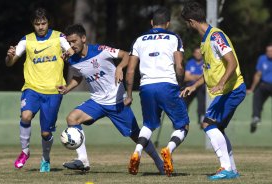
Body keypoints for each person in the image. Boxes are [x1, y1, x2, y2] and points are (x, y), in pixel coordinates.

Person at [58, 24, 164, 174]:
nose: (71, 45)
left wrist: (120, 67)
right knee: (72, 119)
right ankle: (83, 161)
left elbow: (127, 55)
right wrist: (67, 88)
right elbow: (78, 77)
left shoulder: (100, 50)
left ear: (83, 38)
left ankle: (159, 163)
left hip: (117, 101)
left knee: (136, 135)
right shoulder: (73, 60)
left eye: (74, 41)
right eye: (69, 42)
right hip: (97, 101)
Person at [180, 2, 246, 180]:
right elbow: (209, 70)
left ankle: (225, 168)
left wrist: (222, 83)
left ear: (192, 21)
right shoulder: (205, 41)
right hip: (226, 91)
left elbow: (231, 62)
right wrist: (194, 85)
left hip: (232, 90)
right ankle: (231, 169)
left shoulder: (216, 36)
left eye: (187, 23)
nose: (187, 26)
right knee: (219, 129)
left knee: (208, 124)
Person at [5, 8, 74, 172]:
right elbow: (10, 62)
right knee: (26, 115)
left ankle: (45, 158)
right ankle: (24, 151)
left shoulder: (59, 37)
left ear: (48, 23)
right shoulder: (27, 40)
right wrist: (9, 56)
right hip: (32, 88)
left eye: (43, 23)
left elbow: (71, 49)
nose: (41, 27)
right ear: (33, 25)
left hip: (53, 91)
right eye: (37, 24)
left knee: (45, 133)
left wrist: (69, 53)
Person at [125, 7, 190, 177]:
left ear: (152, 23)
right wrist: (180, 84)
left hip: (146, 87)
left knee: (148, 125)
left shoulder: (139, 40)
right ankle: (168, 149)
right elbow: (180, 66)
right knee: (183, 125)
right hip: (167, 85)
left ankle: (137, 151)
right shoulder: (174, 38)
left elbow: (130, 71)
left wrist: (129, 94)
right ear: (167, 24)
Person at [247, 43, 272, 133]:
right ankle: (256, 117)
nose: (269, 53)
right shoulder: (262, 58)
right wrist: (252, 89)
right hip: (265, 85)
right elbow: (258, 75)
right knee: (257, 94)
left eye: (271, 51)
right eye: (268, 51)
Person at [184, 47, 205, 127]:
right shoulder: (190, 63)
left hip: (201, 87)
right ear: (194, 54)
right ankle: (182, 119)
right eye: (196, 52)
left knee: (202, 102)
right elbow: (186, 77)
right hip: (190, 86)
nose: (198, 54)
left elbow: (206, 77)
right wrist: (199, 77)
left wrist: (192, 76)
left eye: (200, 52)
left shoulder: (205, 63)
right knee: (184, 101)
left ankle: (202, 119)